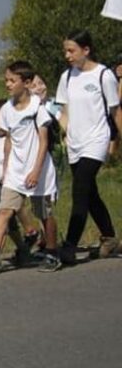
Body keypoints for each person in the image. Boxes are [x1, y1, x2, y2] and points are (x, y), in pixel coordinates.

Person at [0, 61, 60, 273]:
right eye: (6, 80)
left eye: (12, 80)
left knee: (44, 213)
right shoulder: (6, 109)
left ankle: (52, 252)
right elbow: (8, 140)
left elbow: (43, 142)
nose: (8, 84)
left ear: (27, 82)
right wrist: (6, 170)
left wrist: (36, 171)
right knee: (4, 210)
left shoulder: (36, 108)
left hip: (39, 169)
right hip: (15, 169)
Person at [55, 30, 120, 263]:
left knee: (80, 191)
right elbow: (63, 111)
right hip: (75, 143)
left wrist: (119, 139)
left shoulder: (104, 76)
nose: (67, 55)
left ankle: (69, 246)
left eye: (71, 50)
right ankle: (110, 237)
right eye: (65, 51)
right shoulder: (67, 77)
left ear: (86, 50)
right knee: (90, 193)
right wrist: (65, 129)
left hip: (97, 140)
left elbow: (115, 111)